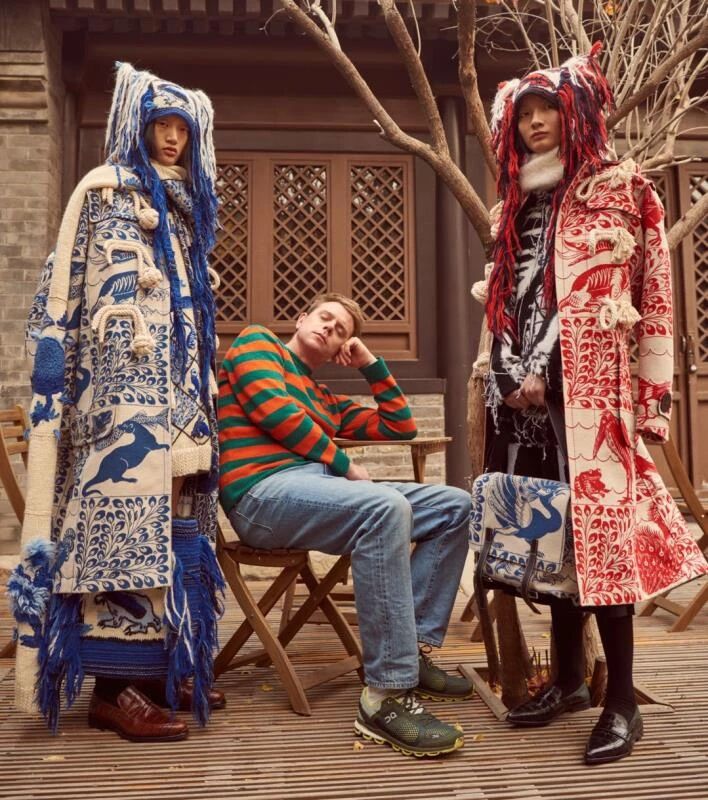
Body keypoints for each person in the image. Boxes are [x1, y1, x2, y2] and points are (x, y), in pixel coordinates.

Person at [477, 43, 708, 765]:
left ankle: (621, 701)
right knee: (548, 539)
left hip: (594, 397)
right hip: (519, 401)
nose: (534, 123)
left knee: (603, 543)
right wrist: (505, 371)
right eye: (524, 113)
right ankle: (571, 679)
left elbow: (655, 295)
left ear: (575, 113)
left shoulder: (624, 186)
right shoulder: (515, 202)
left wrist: (653, 397)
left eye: (547, 109)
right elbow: (504, 299)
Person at [9, 63, 226, 742]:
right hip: (120, 401)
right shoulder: (104, 192)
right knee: (119, 533)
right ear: (137, 127)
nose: (172, 138)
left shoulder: (188, 207)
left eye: (182, 129)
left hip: (180, 396)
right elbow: (68, 287)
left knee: (178, 523)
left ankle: (161, 668)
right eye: (161, 125)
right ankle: (113, 686)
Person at [218, 293, 472, 757]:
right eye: (325, 318)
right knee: (384, 507)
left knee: (454, 505)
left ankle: (409, 652)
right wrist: (344, 464)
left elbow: (401, 427)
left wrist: (370, 365)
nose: (329, 329)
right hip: (261, 496)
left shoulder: (325, 401)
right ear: (301, 318)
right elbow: (274, 411)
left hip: (316, 490)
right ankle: (385, 696)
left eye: (341, 331)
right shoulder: (258, 344)